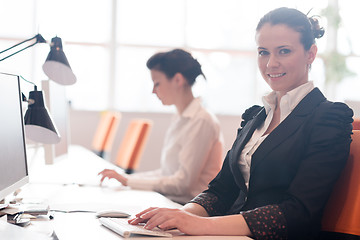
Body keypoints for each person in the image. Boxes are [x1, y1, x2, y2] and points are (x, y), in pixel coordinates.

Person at [127, 7, 354, 239]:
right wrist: (178, 216)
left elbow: (297, 212)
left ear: (310, 54)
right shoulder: (256, 116)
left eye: (284, 51)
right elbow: (220, 191)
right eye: (263, 52)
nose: (270, 63)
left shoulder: (329, 118)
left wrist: (198, 225)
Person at [98, 49, 224, 204]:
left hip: (187, 208)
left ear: (178, 80)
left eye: (157, 83)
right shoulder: (181, 117)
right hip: (172, 201)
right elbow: (167, 174)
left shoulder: (201, 121)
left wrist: (128, 181)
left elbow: (182, 184)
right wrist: (127, 179)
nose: (153, 91)